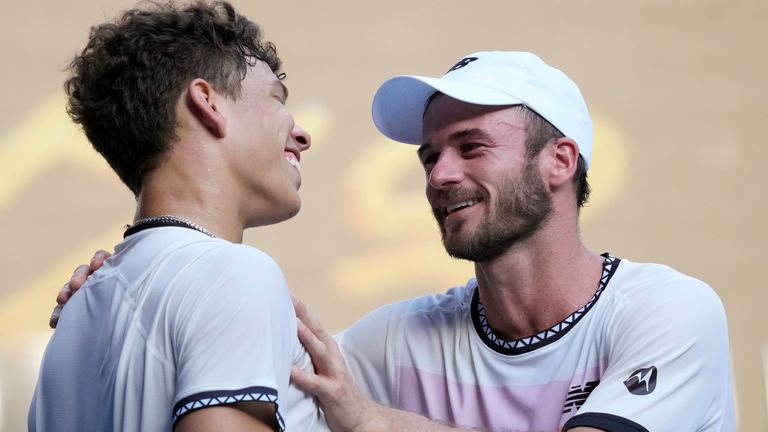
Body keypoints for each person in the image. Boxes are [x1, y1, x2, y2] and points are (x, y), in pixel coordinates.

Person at [54, 51, 735, 431]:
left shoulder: (669, 312)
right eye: (429, 155)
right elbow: (222, 362)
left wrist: (375, 424)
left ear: (560, 161)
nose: (439, 174)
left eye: (470, 147)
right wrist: (124, 295)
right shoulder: (387, 343)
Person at [29, 2, 324, 431]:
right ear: (208, 102)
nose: (302, 134)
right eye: (276, 99)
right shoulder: (233, 274)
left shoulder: (73, 320)